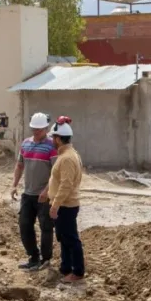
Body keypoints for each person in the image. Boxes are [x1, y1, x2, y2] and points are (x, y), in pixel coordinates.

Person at [10, 112, 57, 271]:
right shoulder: (25, 144)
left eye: (39, 130)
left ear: (46, 128)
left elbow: (55, 173)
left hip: (44, 195)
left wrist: (47, 190)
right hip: (28, 194)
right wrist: (14, 184)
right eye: (34, 129)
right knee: (24, 225)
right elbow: (19, 166)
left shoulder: (52, 146)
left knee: (46, 227)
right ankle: (33, 256)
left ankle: (45, 259)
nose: (36, 132)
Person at [47, 118, 85, 283]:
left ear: (57, 138)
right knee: (64, 238)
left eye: (53, 138)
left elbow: (66, 185)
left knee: (70, 238)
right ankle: (66, 267)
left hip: (65, 205)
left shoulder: (67, 158)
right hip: (64, 204)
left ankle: (77, 271)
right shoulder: (68, 154)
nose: (51, 141)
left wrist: (55, 205)